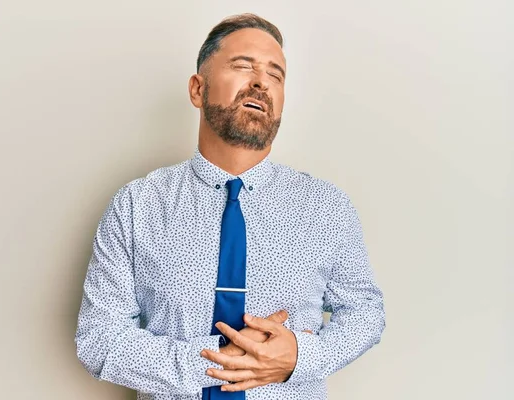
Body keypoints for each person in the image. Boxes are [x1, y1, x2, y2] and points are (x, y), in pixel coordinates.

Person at [74, 13, 386, 400]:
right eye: (243, 66)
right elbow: (98, 339)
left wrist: (300, 356)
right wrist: (215, 361)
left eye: (276, 75)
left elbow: (365, 313)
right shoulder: (137, 205)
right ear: (196, 89)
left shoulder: (325, 208)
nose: (260, 82)